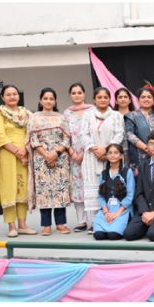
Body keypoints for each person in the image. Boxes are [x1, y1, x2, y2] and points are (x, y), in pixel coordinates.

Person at [27, 88, 71, 235]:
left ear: (55, 101)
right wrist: (46, 154)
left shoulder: (61, 117)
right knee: (44, 191)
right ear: (40, 100)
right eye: (45, 98)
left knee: (59, 189)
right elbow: (33, 139)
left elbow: (67, 138)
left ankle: (60, 223)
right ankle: (46, 225)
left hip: (60, 158)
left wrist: (56, 152)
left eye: (51, 98)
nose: (48, 101)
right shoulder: (34, 117)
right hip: (41, 159)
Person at [80, 87, 125, 233]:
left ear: (109, 99)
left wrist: (106, 149)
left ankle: (112, 219)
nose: (103, 99)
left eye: (106, 97)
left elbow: (119, 134)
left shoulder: (116, 115)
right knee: (94, 190)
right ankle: (94, 223)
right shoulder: (88, 115)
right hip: (91, 157)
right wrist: (94, 148)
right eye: (99, 97)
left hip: (110, 156)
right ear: (94, 99)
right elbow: (83, 134)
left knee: (109, 188)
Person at [0, 85, 34, 237]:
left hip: (24, 154)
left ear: (18, 96)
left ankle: (23, 225)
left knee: (22, 188)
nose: (12, 96)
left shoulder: (26, 113)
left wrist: (25, 150)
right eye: (8, 94)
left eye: (14, 94)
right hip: (7, 154)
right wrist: (18, 152)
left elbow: (31, 133)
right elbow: (0, 135)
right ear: (3, 97)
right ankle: (12, 226)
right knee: (9, 188)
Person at [64, 82, 94, 232]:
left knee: (91, 186)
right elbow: (63, 135)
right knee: (77, 188)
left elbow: (95, 132)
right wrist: (72, 153)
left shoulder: (92, 110)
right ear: (70, 95)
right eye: (74, 93)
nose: (77, 95)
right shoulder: (67, 113)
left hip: (90, 154)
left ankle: (93, 221)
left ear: (84, 94)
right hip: (73, 156)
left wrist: (84, 152)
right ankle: (81, 221)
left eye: (79, 92)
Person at [92, 144, 135, 240]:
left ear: (121, 156)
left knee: (113, 235)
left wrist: (117, 213)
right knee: (98, 235)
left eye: (116, 153)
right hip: (107, 210)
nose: (113, 155)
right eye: (110, 153)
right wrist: (106, 211)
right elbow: (100, 196)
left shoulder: (127, 172)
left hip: (122, 209)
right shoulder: (104, 173)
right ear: (106, 156)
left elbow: (130, 195)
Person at [126, 86, 154, 171]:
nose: (146, 99)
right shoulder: (131, 116)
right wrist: (146, 148)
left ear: (153, 99)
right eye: (143, 97)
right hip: (139, 154)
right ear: (138, 100)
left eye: (149, 97)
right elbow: (129, 134)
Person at [114, 87, 133, 165]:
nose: (123, 99)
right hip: (117, 151)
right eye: (120, 97)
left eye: (125, 97)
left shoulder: (135, 115)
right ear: (116, 101)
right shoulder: (112, 116)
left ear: (130, 100)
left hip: (133, 150)